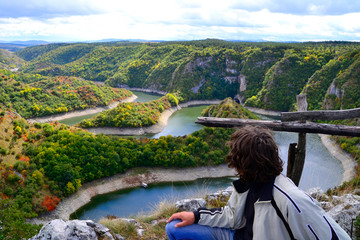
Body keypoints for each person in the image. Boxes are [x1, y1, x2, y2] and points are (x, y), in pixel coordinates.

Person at [166, 125, 351, 240]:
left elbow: (334, 235)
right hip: (235, 235)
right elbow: (231, 216)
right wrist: (196, 216)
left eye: (237, 162)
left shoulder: (291, 199)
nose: (234, 168)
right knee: (173, 228)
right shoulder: (247, 183)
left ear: (248, 164)